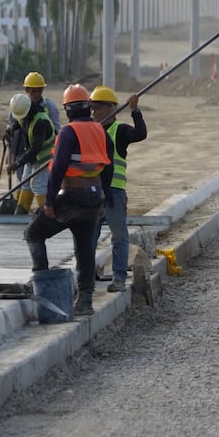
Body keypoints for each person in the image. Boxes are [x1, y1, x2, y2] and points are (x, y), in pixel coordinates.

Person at [23, 84, 114, 317]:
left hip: (71, 198)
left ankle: (42, 287)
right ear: (88, 106)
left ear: (67, 109)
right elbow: (108, 169)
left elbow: (57, 169)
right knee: (85, 251)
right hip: (94, 200)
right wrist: (104, 201)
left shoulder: (68, 132)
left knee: (33, 233)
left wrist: (49, 203)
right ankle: (84, 301)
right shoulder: (101, 131)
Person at [89, 85, 148, 293]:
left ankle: (119, 279)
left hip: (114, 193)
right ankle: (86, 276)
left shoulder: (119, 131)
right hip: (94, 193)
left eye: (97, 108)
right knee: (89, 237)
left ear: (110, 108)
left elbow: (140, 134)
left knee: (119, 237)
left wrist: (135, 111)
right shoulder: (91, 131)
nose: (93, 112)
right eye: (91, 108)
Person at [6, 92, 56, 215]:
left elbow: (35, 149)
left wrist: (17, 163)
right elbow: (19, 122)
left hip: (45, 158)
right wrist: (12, 128)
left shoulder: (40, 122)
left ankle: (47, 215)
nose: (21, 117)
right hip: (32, 157)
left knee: (38, 186)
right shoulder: (25, 114)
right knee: (26, 184)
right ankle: (21, 212)